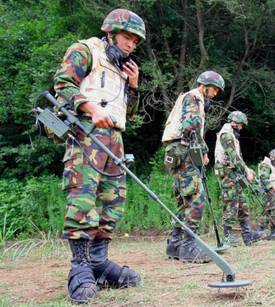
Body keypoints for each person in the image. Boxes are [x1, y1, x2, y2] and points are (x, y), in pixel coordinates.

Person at [53, 8, 145, 303]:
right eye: (127, 38)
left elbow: (128, 113)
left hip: (114, 137)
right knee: (83, 197)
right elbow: (62, 85)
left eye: (135, 41)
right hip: (86, 134)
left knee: (113, 200)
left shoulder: (122, 68)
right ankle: (80, 269)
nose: (131, 45)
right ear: (111, 32)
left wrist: (133, 87)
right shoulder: (86, 50)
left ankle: (99, 262)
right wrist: (91, 109)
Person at [162, 71, 224, 263]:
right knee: (197, 197)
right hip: (184, 149)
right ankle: (189, 247)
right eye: (214, 90)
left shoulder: (187, 97)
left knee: (184, 198)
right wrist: (203, 151)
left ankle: (175, 244)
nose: (214, 94)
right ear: (205, 85)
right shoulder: (194, 97)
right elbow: (191, 126)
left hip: (176, 150)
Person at [214, 111, 264, 246]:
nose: (241, 128)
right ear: (234, 122)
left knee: (243, 204)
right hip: (228, 174)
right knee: (230, 205)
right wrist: (246, 171)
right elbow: (233, 157)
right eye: (241, 125)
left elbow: (238, 158)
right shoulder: (226, 135)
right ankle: (228, 238)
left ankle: (248, 236)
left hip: (235, 174)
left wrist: (247, 169)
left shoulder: (232, 136)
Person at [258, 149, 275, 240]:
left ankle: (274, 231)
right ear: (273, 157)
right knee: (267, 210)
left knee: (273, 211)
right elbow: (263, 178)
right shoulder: (265, 165)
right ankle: (260, 231)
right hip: (266, 191)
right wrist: (271, 188)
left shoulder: (273, 166)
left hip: (272, 191)